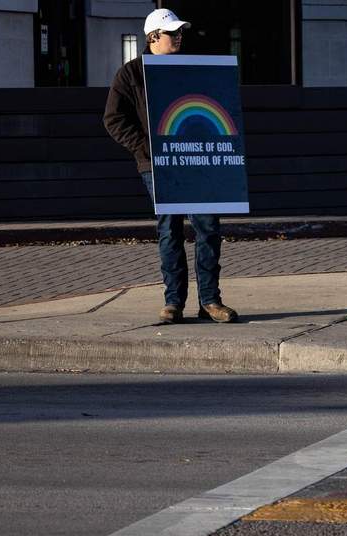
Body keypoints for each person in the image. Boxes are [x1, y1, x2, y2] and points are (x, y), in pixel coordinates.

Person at [103, 8, 238, 324]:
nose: (179, 37)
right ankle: (173, 303)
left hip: (197, 161)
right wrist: (148, 148)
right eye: (172, 33)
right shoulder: (131, 74)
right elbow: (113, 119)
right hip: (156, 165)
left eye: (180, 32)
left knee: (208, 227)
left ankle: (210, 302)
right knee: (169, 230)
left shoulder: (191, 70)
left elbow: (212, 108)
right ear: (153, 38)